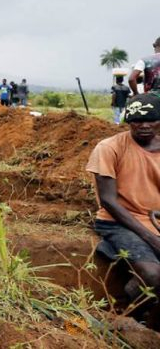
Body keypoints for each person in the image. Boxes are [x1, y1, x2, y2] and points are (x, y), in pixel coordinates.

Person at [87, 94, 160, 321]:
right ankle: (126, 320)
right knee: (153, 274)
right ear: (128, 120)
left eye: (152, 119)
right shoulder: (109, 147)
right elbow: (109, 200)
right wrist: (152, 238)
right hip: (117, 221)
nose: (145, 125)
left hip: (155, 219)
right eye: (137, 120)